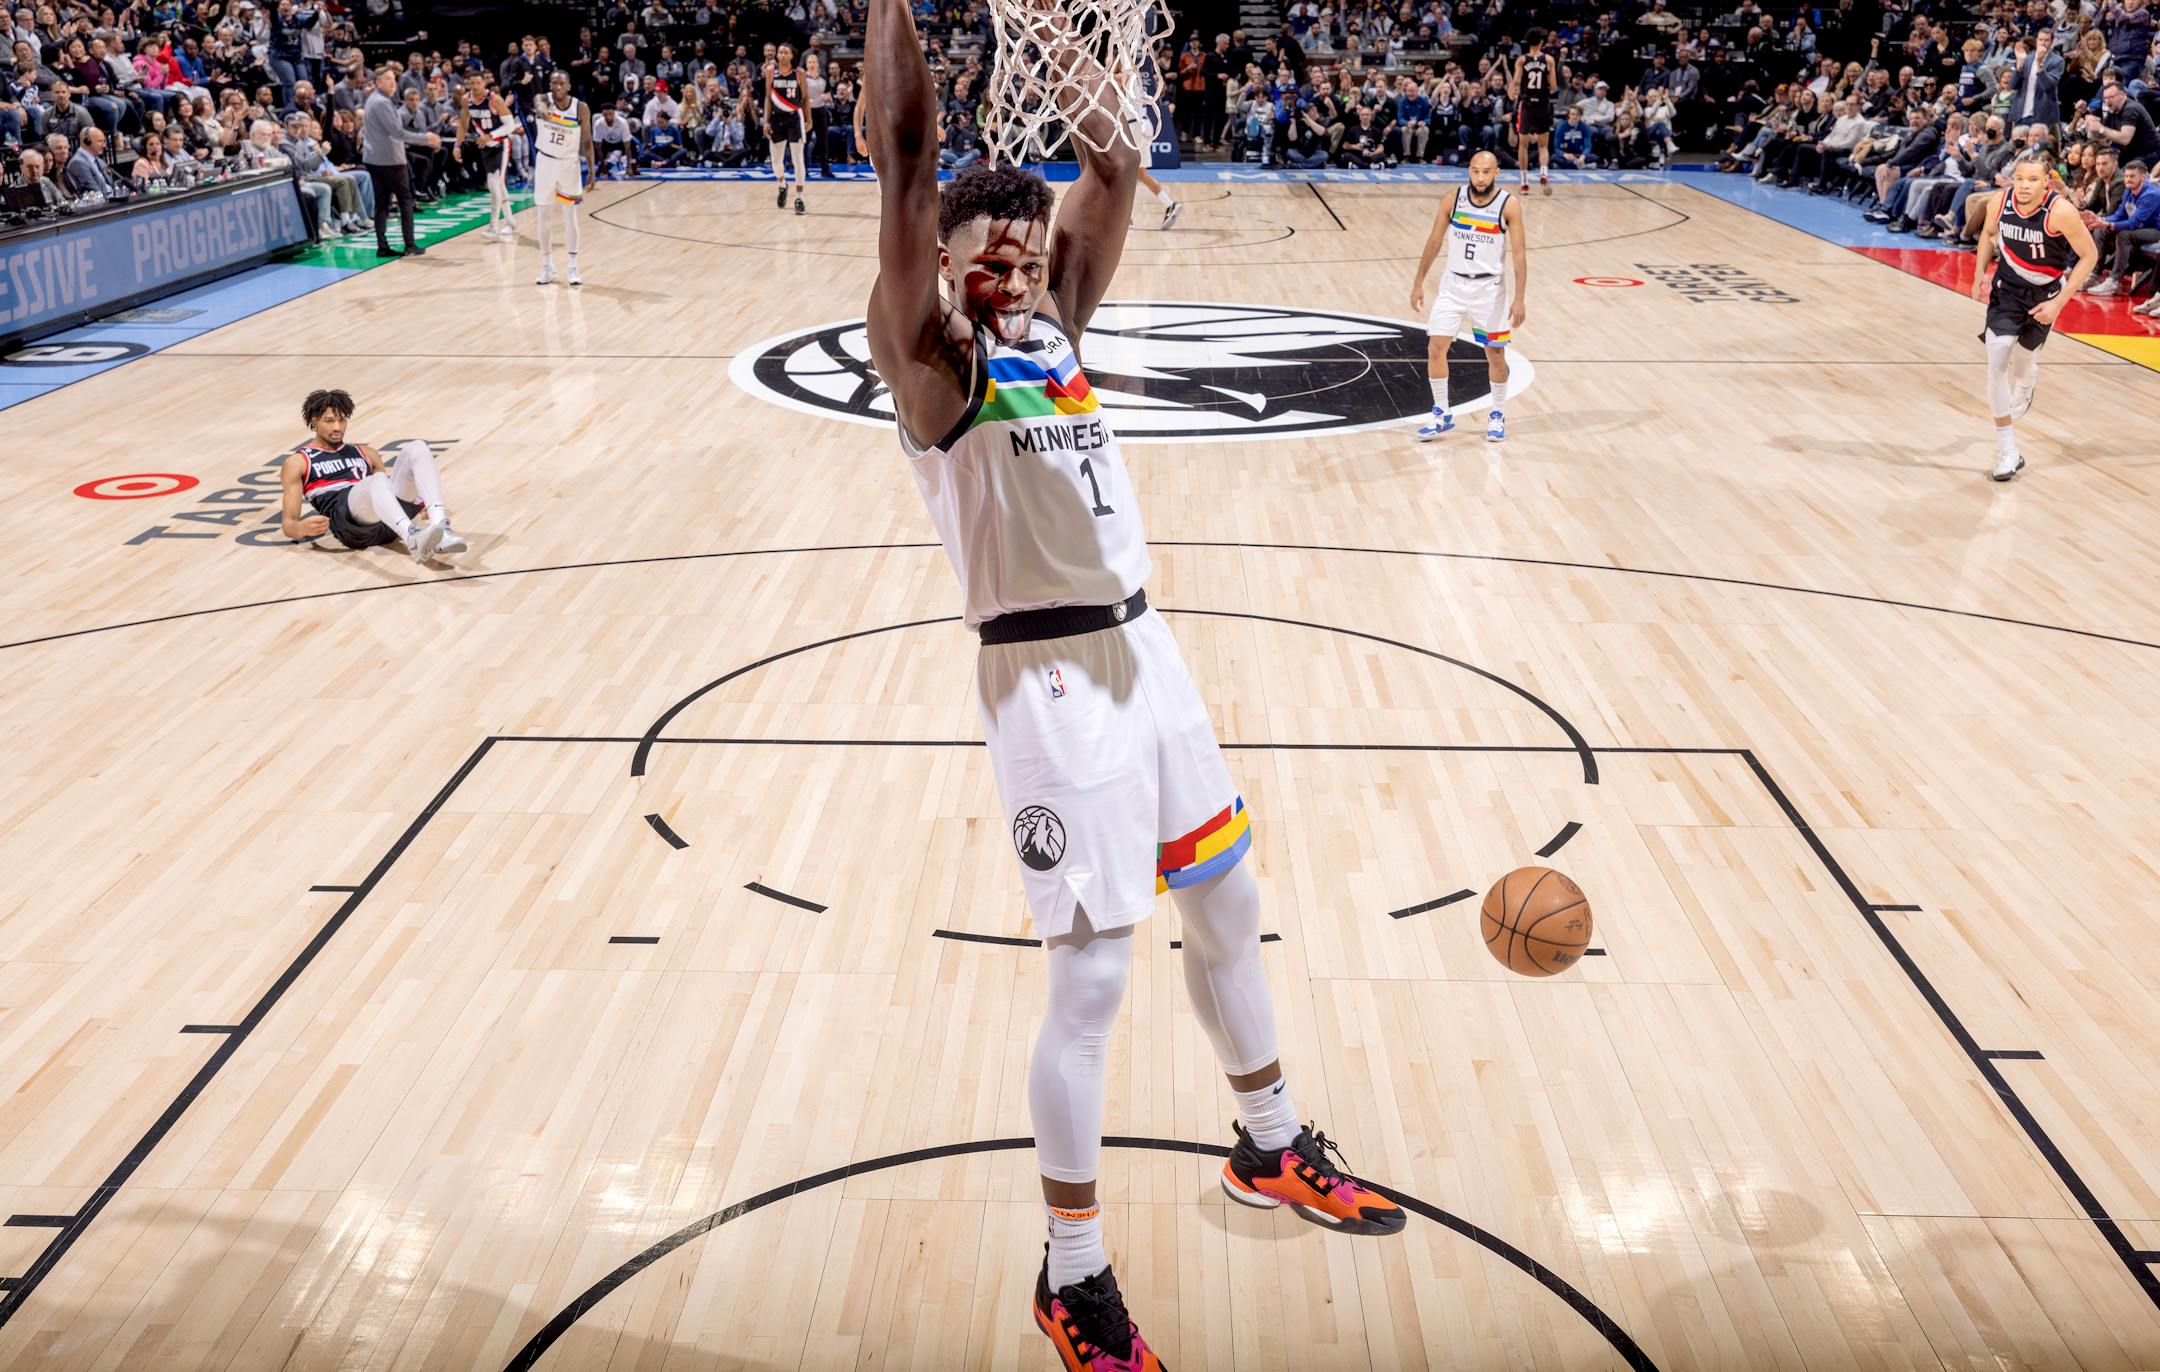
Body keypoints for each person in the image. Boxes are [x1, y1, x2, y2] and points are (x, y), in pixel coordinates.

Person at [863, 0, 1406, 1365]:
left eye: (1029, 260)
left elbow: (1111, 174)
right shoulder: (935, 365)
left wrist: (1082, 50)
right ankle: (1072, 1271)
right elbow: (908, 150)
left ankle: (1270, 1144)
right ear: (943, 264)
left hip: (1147, 653)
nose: (1020, 277)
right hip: (1046, 684)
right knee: (1095, 978)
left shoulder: (1052, 329)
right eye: (992, 261)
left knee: (1229, 898)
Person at [1971, 148, 2100, 480]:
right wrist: (1979, 274)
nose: (2024, 185)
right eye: (2019, 179)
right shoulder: (2000, 202)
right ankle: (2007, 450)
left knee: (2024, 361)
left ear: (2047, 183)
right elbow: (1987, 235)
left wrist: (2059, 304)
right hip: (2007, 291)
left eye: (2032, 180)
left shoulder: (2061, 212)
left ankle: (2027, 380)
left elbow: (2089, 256)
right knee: (1997, 360)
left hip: (2046, 295)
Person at [1409, 149, 1527, 444]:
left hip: (1489, 291)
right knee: (1436, 347)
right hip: (1453, 285)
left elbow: (1520, 255)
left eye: (1486, 171)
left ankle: (1497, 413)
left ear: (1496, 173)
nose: (1480, 177)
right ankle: (1440, 412)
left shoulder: (1508, 205)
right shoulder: (1453, 199)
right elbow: (1435, 241)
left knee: (1495, 355)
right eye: (1475, 171)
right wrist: (1418, 281)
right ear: (1468, 171)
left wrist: (1520, 298)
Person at [278, 389, 467, 562]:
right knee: (376, 479)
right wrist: (301, 528)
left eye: (342, 420)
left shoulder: (366, 452)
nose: (337, 427)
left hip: (386, 525)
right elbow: (289, 525)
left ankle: (441, 527)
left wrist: (420, 500)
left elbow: (385, 494)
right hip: (350, 525)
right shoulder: (298, 462)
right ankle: (412, 537)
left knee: (417, 447)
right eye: (329, 420)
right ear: (314, 421)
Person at [362, 66, 438, 259]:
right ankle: (410, 244)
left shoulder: (372, 99)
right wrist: (426, 138)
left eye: (394, 79)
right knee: (405, 199)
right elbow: (397, 132)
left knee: (381, 203)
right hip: (390, 160)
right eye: (388, 79)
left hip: (374, 158)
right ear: (378, 82)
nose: (393, 82)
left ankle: (382, 245)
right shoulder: (382, 102)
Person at [532, 70, 593, 285]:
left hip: (569, 164)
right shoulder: (542, 99)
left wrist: (592, 170)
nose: (557, 86)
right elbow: (539, 106)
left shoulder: (580, 108)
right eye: (554, 83)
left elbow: (587, 141)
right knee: (543, 216)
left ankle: (573, 267)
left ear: (569, 86)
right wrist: (544, 112)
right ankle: (547, 266)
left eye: (561, 83)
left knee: (570, 215)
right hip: (545, 162)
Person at [2083, 158, 2160, 297]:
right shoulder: (2129, 191)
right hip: (2137, 229)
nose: (2128, 179)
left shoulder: (2152, 195)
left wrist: (2108, 224)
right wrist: (2100, 220)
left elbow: (2134, 223)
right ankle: (2095, 274)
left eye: (2132, 176)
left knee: (2123, 234)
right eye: (2126, 176)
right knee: (2100, 229)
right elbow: (2119, 215)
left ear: (2143, 176)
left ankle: (2114, 281)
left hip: (2154, 231)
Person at [456, 73, 514, 241]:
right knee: (498, 185)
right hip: (485, 147)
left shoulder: (494, 99)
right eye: (471, 83)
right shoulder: (467, 100)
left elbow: (510, 125)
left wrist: (491, 136)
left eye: (478, 83)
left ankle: (494, 227)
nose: (474, 86)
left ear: (484, 83)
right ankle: (510, 221)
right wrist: (456, 145)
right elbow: (462, 123)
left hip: (501, 145)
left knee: (494, 184)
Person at [1510, 26, 1559, 191]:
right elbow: (1553, 86)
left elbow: (1516, 82)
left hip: (1527, 103)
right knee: (1543, 145)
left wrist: (1513, 92)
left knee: (1523, 145)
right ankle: (1544, 172)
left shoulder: (1522, 60)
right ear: (1542, 42)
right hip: (1543, 104)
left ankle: (1524, 183)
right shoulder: (1549, 60)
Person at [765, 41, 807, 213]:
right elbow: (768, 97)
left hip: (794, 118)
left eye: (784, 52)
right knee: (776, 160)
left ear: (791, 55)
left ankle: (799, 197)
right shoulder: (770, 71)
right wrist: (766, 121)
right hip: (776, 119)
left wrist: (808, 119)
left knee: (798, 160)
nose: (781, 55)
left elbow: (805, 98)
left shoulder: (799, 74)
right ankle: (782, 184)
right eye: (779, 52)